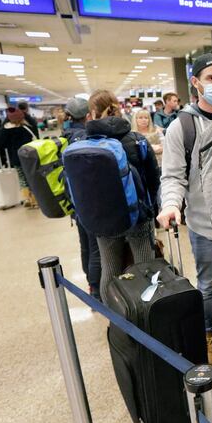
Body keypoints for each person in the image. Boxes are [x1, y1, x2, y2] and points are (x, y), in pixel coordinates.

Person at [157, 53, 212, 366]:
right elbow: (173, 175)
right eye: (211, 79)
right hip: (202, 224)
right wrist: (170, 205)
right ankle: (210, 336)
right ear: (195, 83)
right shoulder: (182, 126)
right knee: (208, 285)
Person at [86, 90, 160, 301]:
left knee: (109, 268)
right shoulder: (136, 140)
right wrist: (151, 208)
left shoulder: (82, 143)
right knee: (145, 267)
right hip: (136, 215)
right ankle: (146, 314)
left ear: (93, 112)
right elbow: (153, 179)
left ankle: (116, 319)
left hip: (103, 219)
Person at [62, 97, 101, 300]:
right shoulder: (85, 136)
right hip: (88, 199)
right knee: (95, 247)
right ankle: (95, 289)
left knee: (85, 244)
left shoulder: (65, 135)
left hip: (74, 198)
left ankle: (90, 282)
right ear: (88, 115)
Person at [1, 106, 38, 207]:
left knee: (22, 179)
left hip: (15, 158)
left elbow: (2, 144)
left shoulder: (5, 130)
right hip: (29, 157)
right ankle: (35, 199)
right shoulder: (27, 128)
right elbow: (36, 139)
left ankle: (27, 198)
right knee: (31, 177)